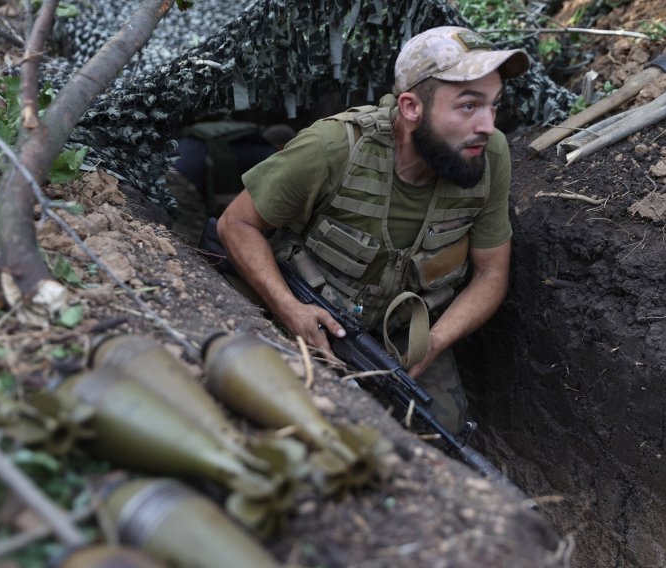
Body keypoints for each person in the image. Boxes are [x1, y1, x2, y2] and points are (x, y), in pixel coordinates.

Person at [216, 26, 530, 434]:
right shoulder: (331, 147)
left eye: (494, 105)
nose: (488, 125)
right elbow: (236, 223)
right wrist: (288, 309)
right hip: (305, 308)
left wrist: (432, 341)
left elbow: (491, 273)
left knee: (440, 431)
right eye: (469, 106)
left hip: (400, 333)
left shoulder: (490, 156)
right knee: (280, 413)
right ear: (411, 107)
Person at [174, 121, 296, 216]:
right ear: (283, 146)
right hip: (184, 179)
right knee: (190, 235)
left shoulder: (243, 142)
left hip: (168, 163)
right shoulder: (268, 155)